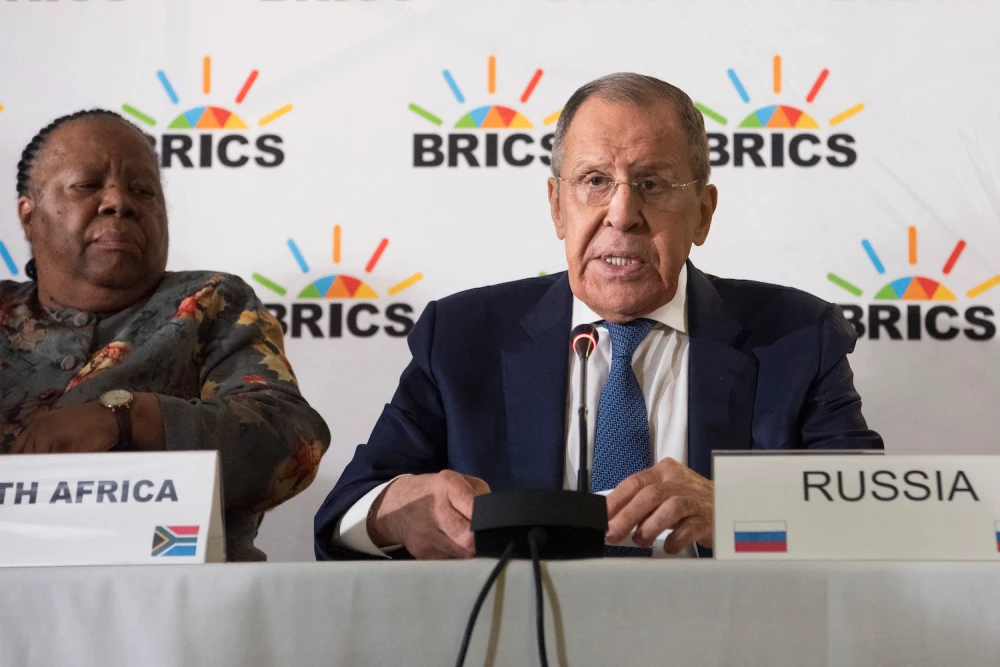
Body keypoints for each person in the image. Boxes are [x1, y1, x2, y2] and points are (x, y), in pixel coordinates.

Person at [314, 73, 883, 561]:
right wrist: (398, 511)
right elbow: (341, 517)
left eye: (652, 185)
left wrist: (743, 513)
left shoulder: (798, 338)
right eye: (595, 182)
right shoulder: (463, 337)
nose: (622, 214)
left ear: (704, 214)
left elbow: (874, 521)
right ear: (556, 206)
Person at [2, 109, 331, 561]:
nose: (120, 202)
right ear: (28, 214)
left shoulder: (211, 302)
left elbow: (291, 440)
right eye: (88, 185)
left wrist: (129, 419)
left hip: (178, 602)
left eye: (142, 190)